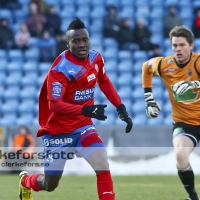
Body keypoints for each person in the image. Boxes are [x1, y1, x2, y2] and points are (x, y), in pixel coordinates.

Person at [18, 17, 133, 200]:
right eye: (76, 41)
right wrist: (85, 110)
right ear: (67, 43)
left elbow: (103, 79)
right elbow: (54, 104)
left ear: (89, 40)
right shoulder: (60, 70)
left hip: (83, 127)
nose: (81, 45)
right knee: (50, 185)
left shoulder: (96, 59)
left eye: (84, 40)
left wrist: (120, 106)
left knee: (102, 163)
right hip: (58, 132)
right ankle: (25, 182)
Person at [142, 25, 200, 200]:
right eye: (175, 45)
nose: (178, 49)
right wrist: (149, 98)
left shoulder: (197, 63)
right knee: (180, 155)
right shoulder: (164, 64)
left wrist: (195, 85)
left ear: (191, 46)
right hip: (184, 122)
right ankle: (193, 197)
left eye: (182, 45)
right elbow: (146, 66)